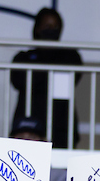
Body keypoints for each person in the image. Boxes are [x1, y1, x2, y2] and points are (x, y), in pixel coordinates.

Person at [10, 8, 83, 149]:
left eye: (56, 27)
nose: (52, 30)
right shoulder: (23, 57)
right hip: (29, 124)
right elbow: (18, 80)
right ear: (37, 28)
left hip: (61, 123)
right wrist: (49, 74)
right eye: (47, 26)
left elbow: (74, 77)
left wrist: (38, 76)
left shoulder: (70, 56)